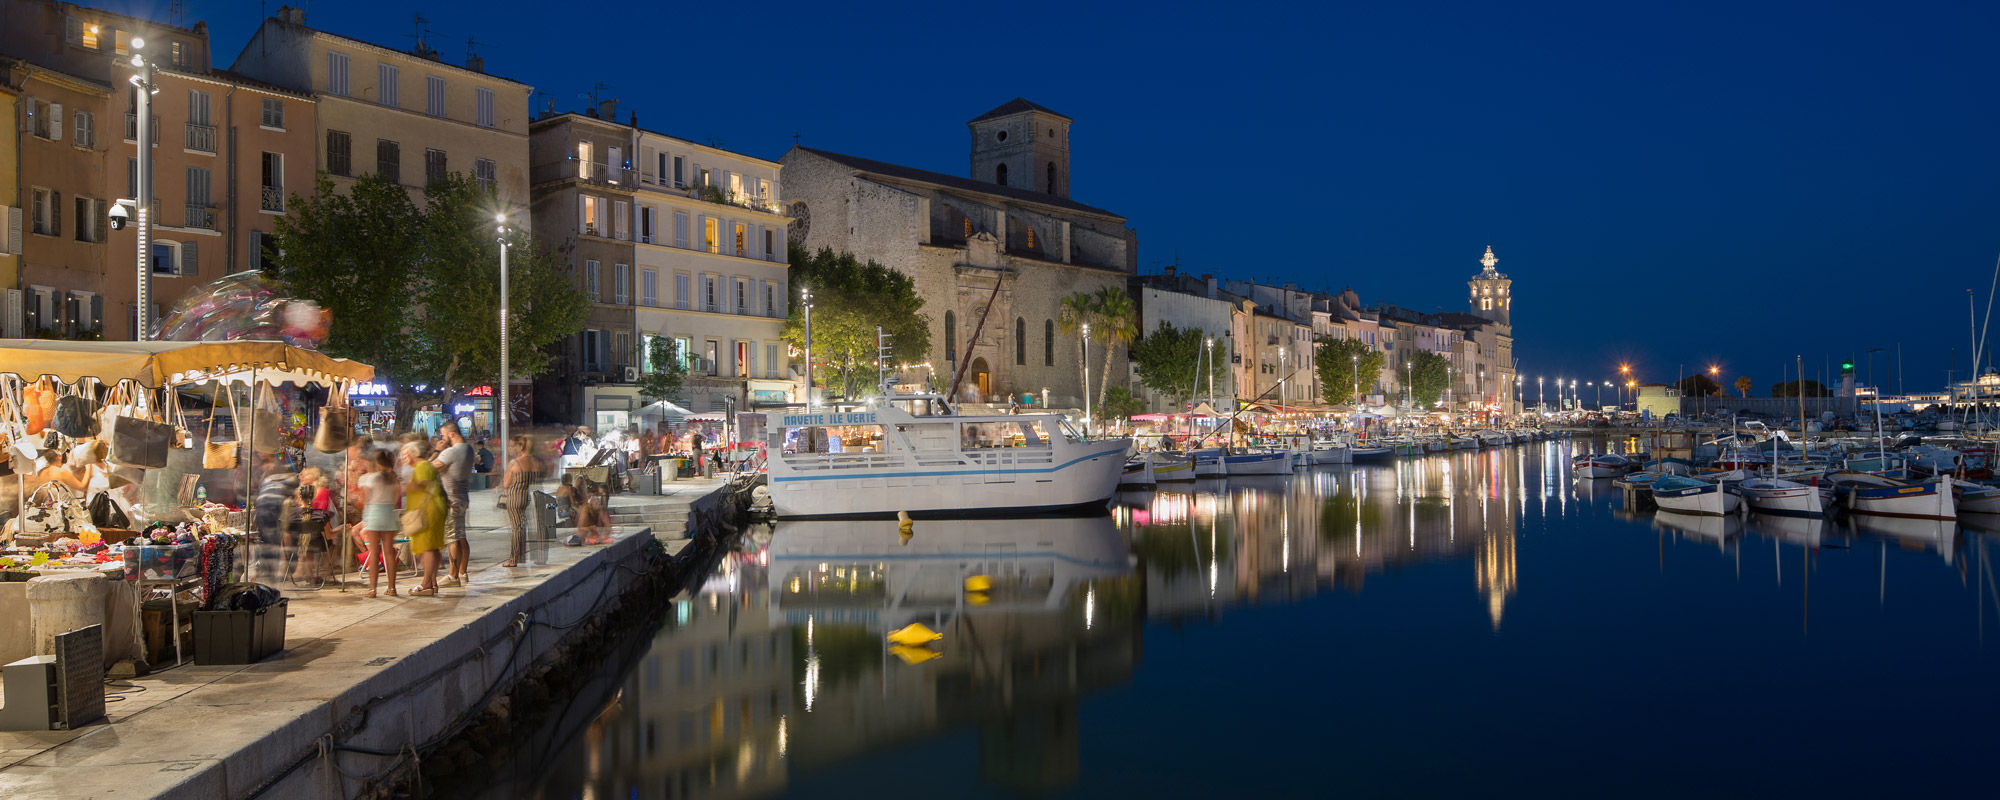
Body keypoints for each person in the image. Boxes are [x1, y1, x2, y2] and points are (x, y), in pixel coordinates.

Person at [431, 423, 473, 586]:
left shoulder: (451, 452)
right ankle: (463, 572)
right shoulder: (468, 449)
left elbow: (428, 468)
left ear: (452, 434)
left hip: (451, 499)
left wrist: (436, 450)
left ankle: (452, 575)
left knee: (452, 537)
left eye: (444, 435)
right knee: (461, 536)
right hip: (463, 497)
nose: (442, 439)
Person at [357, 450, 401, 598]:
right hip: (389, 513)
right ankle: (392, 588)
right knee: (389, 553)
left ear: (377, 463)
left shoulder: (371, 478)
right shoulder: (394, 479)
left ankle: (372, 589)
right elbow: (395, 499)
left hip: (374, 513)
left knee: (374, 553)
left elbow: (365, 499)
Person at [405, 458, 447, 596]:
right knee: (432, 548)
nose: (404, 457)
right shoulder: (428, 466)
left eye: (406, 454)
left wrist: (407, 486)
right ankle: (432, 582)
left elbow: (424, 484)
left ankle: (426, 584)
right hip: (434, 510)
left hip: (428, 512)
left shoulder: (422, 466)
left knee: (428, 548)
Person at [501, 434, 536, 568]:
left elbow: (506, 483)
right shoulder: (531, 461)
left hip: (514, 495)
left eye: (511, 446)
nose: (510, 449)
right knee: (521, 526)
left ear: (520, 447)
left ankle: (513, 558)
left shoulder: (514, 463)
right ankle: (521, 556)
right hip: (524, 495)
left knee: (516, 528)